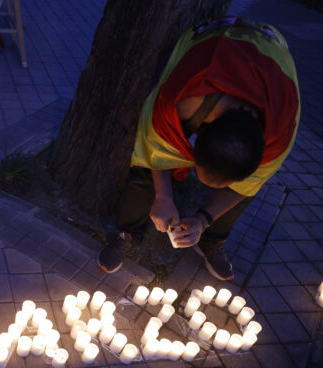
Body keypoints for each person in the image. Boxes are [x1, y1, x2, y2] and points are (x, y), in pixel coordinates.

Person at [97, 17, 300, 281]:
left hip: (271, 53)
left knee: (249, 191)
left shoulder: (281, 132)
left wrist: (203, 220)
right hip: (208, 43)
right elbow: (153, 146)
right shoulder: (180, 97)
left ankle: (212, 241)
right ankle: (127, 231)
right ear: (196, 136)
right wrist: (163, 197)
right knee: (146, 166)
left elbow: (250, 183)